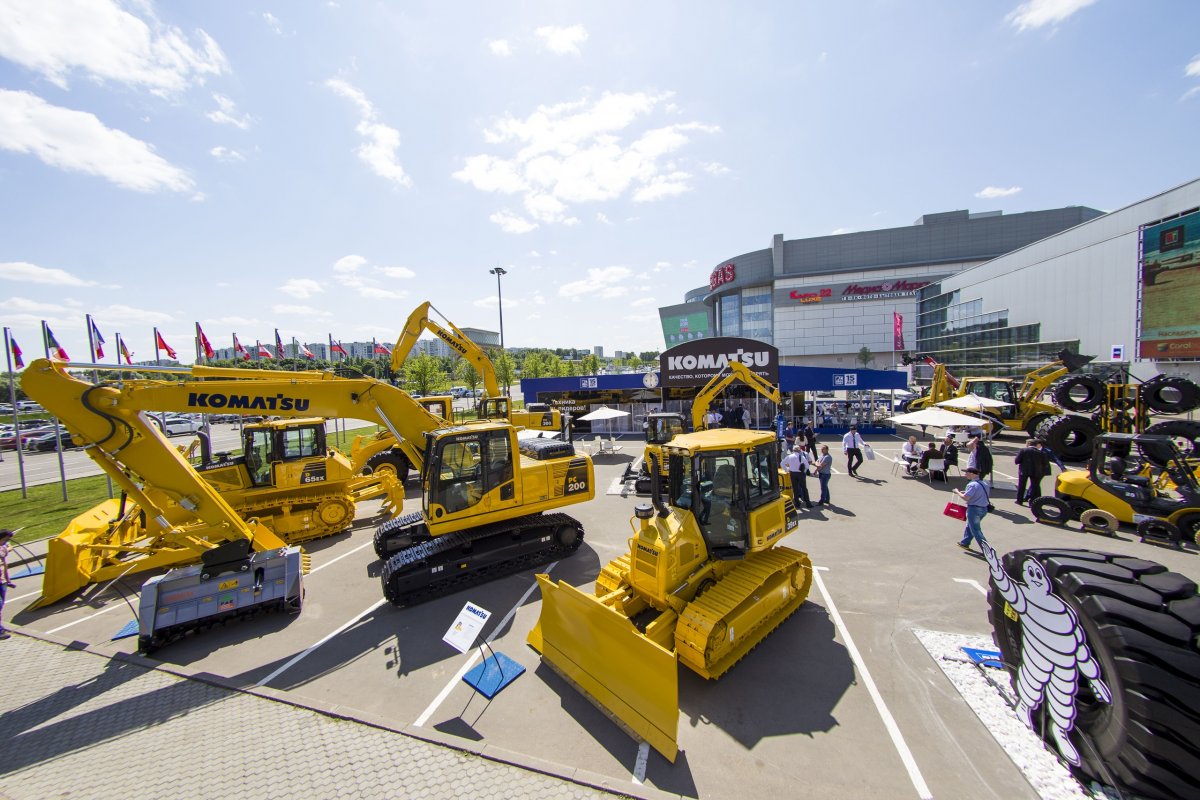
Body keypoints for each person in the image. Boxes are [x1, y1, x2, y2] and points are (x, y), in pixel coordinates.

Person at [954, 467, 990, 551]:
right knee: (970, 526)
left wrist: (957, 492)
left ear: (972, 474)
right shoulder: (984, 484)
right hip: (983, 509)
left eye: (967, 472)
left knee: (976, 530)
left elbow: (966, 498)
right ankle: (965, 542)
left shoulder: (972, 484)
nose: (965, 474)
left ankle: (987, 550)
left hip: (974, 509)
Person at [1014, 438, 1050, 505]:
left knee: (1021, 486)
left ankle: (1019, 500)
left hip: (1024, 470)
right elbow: (1045, 463)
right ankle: (1032, 502)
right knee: (1034, 486)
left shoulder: (1023, 450)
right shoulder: (1041, 453)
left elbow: (1017, 461)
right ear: (1036, 445)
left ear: (1029, 444)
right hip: (1036, 471)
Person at [782, 445, 813, 509]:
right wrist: (804, 471)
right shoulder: (801, 457)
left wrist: (787, 469)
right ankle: (808, 503)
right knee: (804, 488)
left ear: (793, 450)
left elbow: (782, 463)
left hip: (792, 473)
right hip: (800, 474)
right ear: (799, 450)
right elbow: (807, 466)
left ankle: (797, 503)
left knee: (795, 488)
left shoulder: (789, 456)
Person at [0, 528, 14, 639]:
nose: (6, 542)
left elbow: (4, 566)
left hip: (2, 581)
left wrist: (8, 581)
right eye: (5, 540)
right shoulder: (2, 549)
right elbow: (3, 552)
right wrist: (8, 548)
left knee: (1, 604)